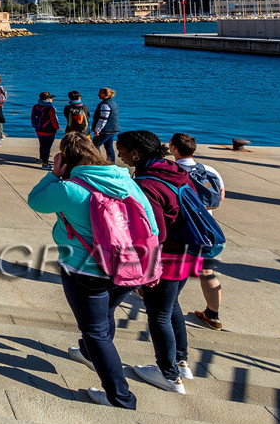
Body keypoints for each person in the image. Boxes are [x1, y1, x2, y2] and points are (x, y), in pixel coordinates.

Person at [27, 132, 158, 409]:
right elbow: (151, 226)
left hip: (86, 271)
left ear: (67, 160)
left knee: (95, 331)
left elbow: (36, 201)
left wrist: (54, 174)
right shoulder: (126, 181)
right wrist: (149, 265)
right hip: (128, 267)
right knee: (105, 314)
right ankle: (89, 353)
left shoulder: (70, 188)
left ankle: (120, 398)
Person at [117, 130, 201, 394]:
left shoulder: (146, 184)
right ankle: (180, 361)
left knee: (158, 315)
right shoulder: (173, 170)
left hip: (166, 255)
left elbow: (155, 232)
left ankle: (169, 375)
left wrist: (141, 270)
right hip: (189, 250)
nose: (118, 154)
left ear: (135, 153)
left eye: (121, 149)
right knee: (172, 305)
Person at [170, 133, 226, 330]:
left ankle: (166, 306)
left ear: (174, 148)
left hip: (180, 230)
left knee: (173, 270)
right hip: (205, 230)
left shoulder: (172, 170)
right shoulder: (209, 170)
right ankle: (213, 315)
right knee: (207, 271)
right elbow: (219, 198)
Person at [30, 92, 60, 169]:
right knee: (47, 147)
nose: (52, 99)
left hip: (38, 129)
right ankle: (45, 163)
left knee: (42, 145)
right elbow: (54, 120)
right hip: (49, 131)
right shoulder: (50, 108)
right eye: (51, 98)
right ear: (47, 99)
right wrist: (57, 127)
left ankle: (41, 158)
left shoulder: (35, 106)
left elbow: (32, 117)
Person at [92, 88, 120, 163]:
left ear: (106, 95)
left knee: (94, 146)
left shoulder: (105, 105)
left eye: (100, 94)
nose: (98, 95)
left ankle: (98, 162)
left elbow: (103, 119)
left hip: (105, 130)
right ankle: (111, 162)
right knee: (109, 146)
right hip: (112, 129)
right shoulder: (113, 103)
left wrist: (97, 130)